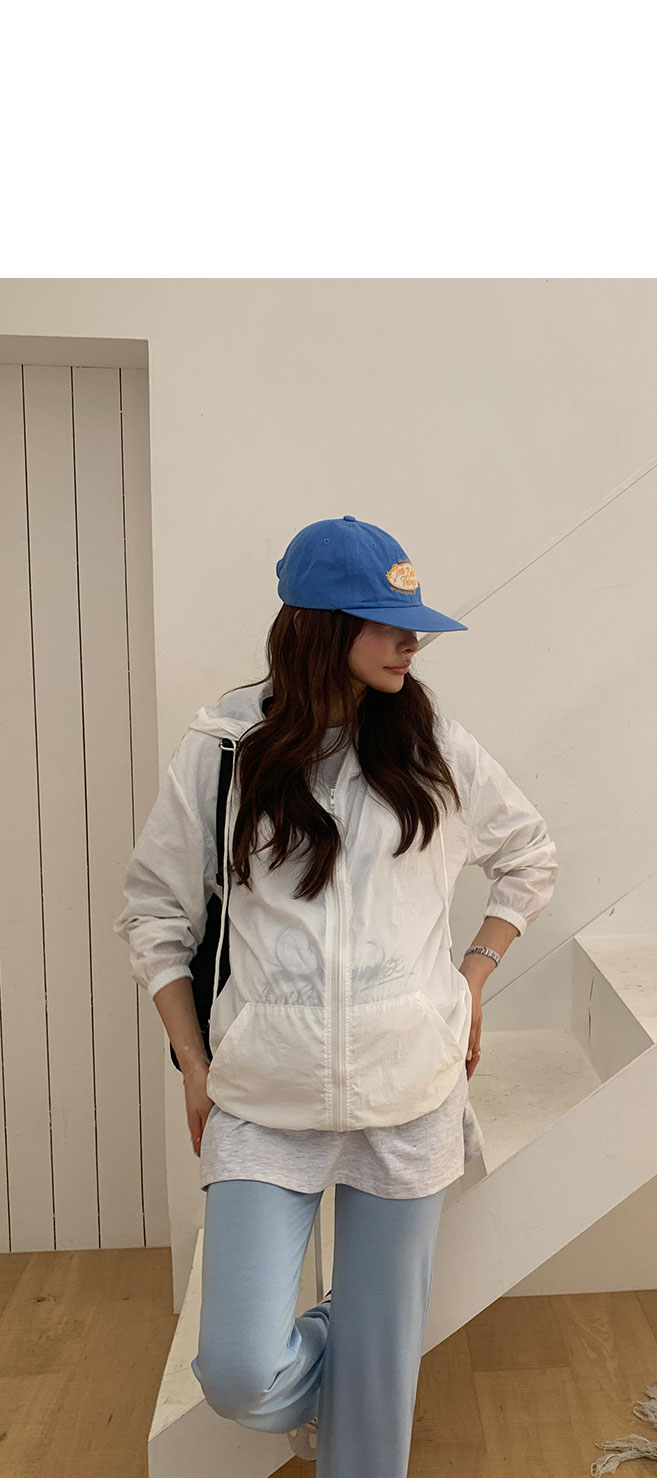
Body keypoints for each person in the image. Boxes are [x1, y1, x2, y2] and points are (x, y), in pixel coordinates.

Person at [112, 514, 559, 1477]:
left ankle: (367, 1379)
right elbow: (154, 915)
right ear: (321, 626)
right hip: (265, 1099)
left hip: (409, 1091)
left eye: (413, 624)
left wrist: (473, 978)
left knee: (374, 1423)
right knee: (239, 1370)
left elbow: (529, 857)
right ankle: (356, 1348)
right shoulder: (224, 752)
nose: (411, 642)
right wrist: (193, 1063)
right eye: (387, 623)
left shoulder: (434, 746)